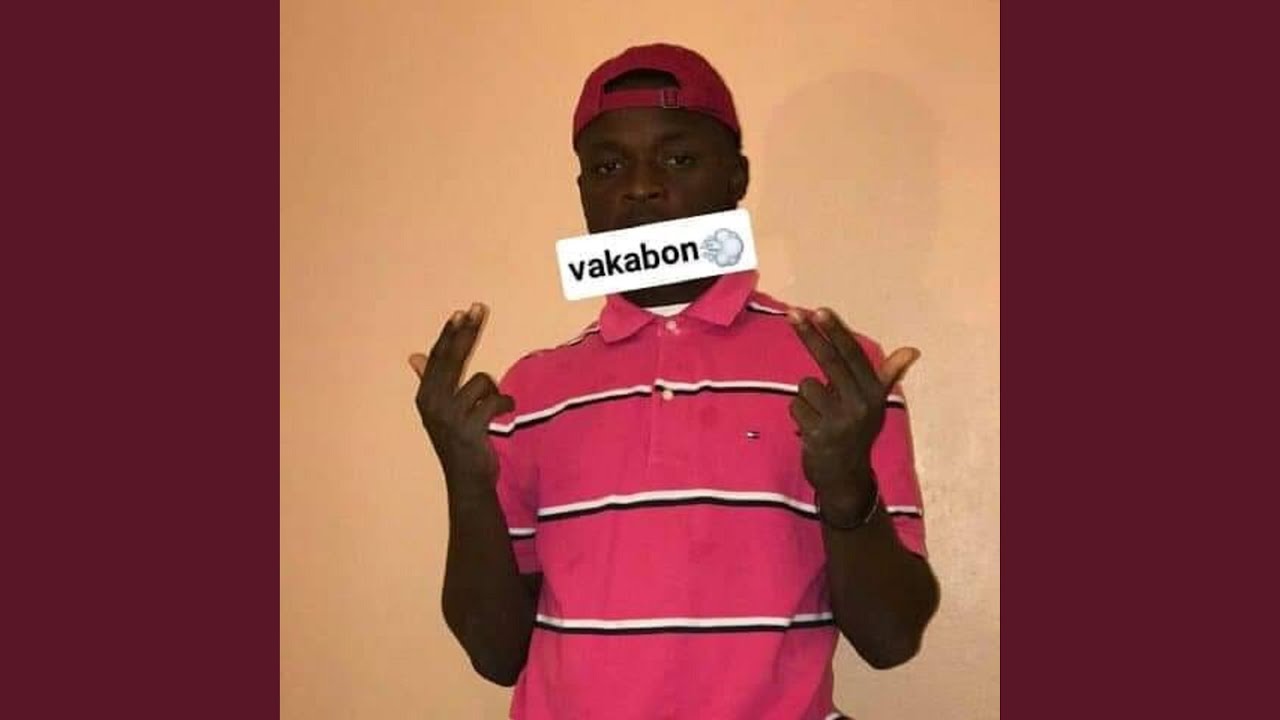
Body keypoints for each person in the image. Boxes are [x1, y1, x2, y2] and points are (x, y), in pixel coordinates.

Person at [409, 43, 939, 720]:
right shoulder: (531, 389)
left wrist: (846, 486)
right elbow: (495, 654)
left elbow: (891, 639)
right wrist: (463, 476)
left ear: (736, 176)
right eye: (608, 167)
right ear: (583, 192)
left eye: (679, 158)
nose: (640, 186)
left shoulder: (840, 374)